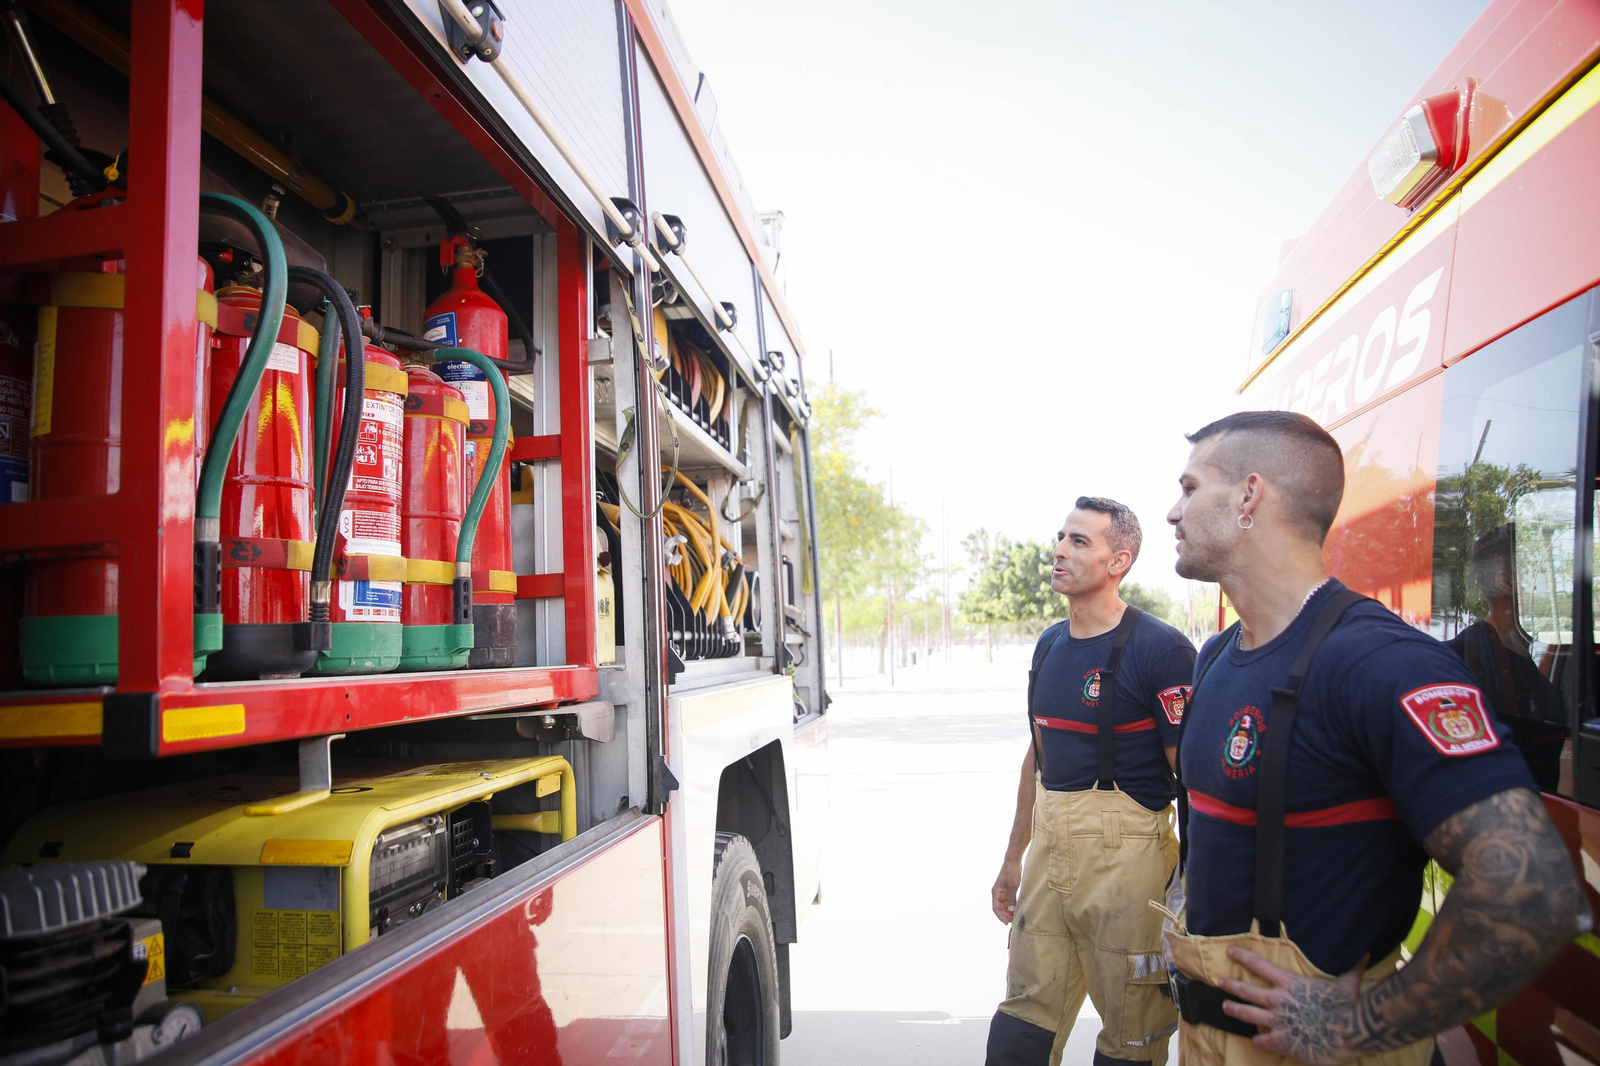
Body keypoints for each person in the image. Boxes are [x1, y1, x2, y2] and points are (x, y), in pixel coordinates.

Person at [1162, 410, 1589, 1065]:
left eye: (1190, 488)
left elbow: (1531, 893)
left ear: (1250, 494)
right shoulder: (1217, 656)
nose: (1172, 511)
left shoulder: (1382, 664)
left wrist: (1357, 1025)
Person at [987, 497, 1196, 1066]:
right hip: (1048, 856)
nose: (1059, 550)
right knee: (1021, 1023)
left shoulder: (1163, 649)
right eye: (1061, 536)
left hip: (1127, 863)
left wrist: (1195, 884)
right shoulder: (1050, 644)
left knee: (1131, 1036)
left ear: (1118, 561)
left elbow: (1194, 781)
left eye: (1080, 541)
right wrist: (1014, 859)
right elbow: (1038, 756)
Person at [1444, 523, 1567, 790]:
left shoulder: (1540, 652)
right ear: (1506, 582)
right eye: (1540, 571)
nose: (1555, 581)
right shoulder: (1462, 660)